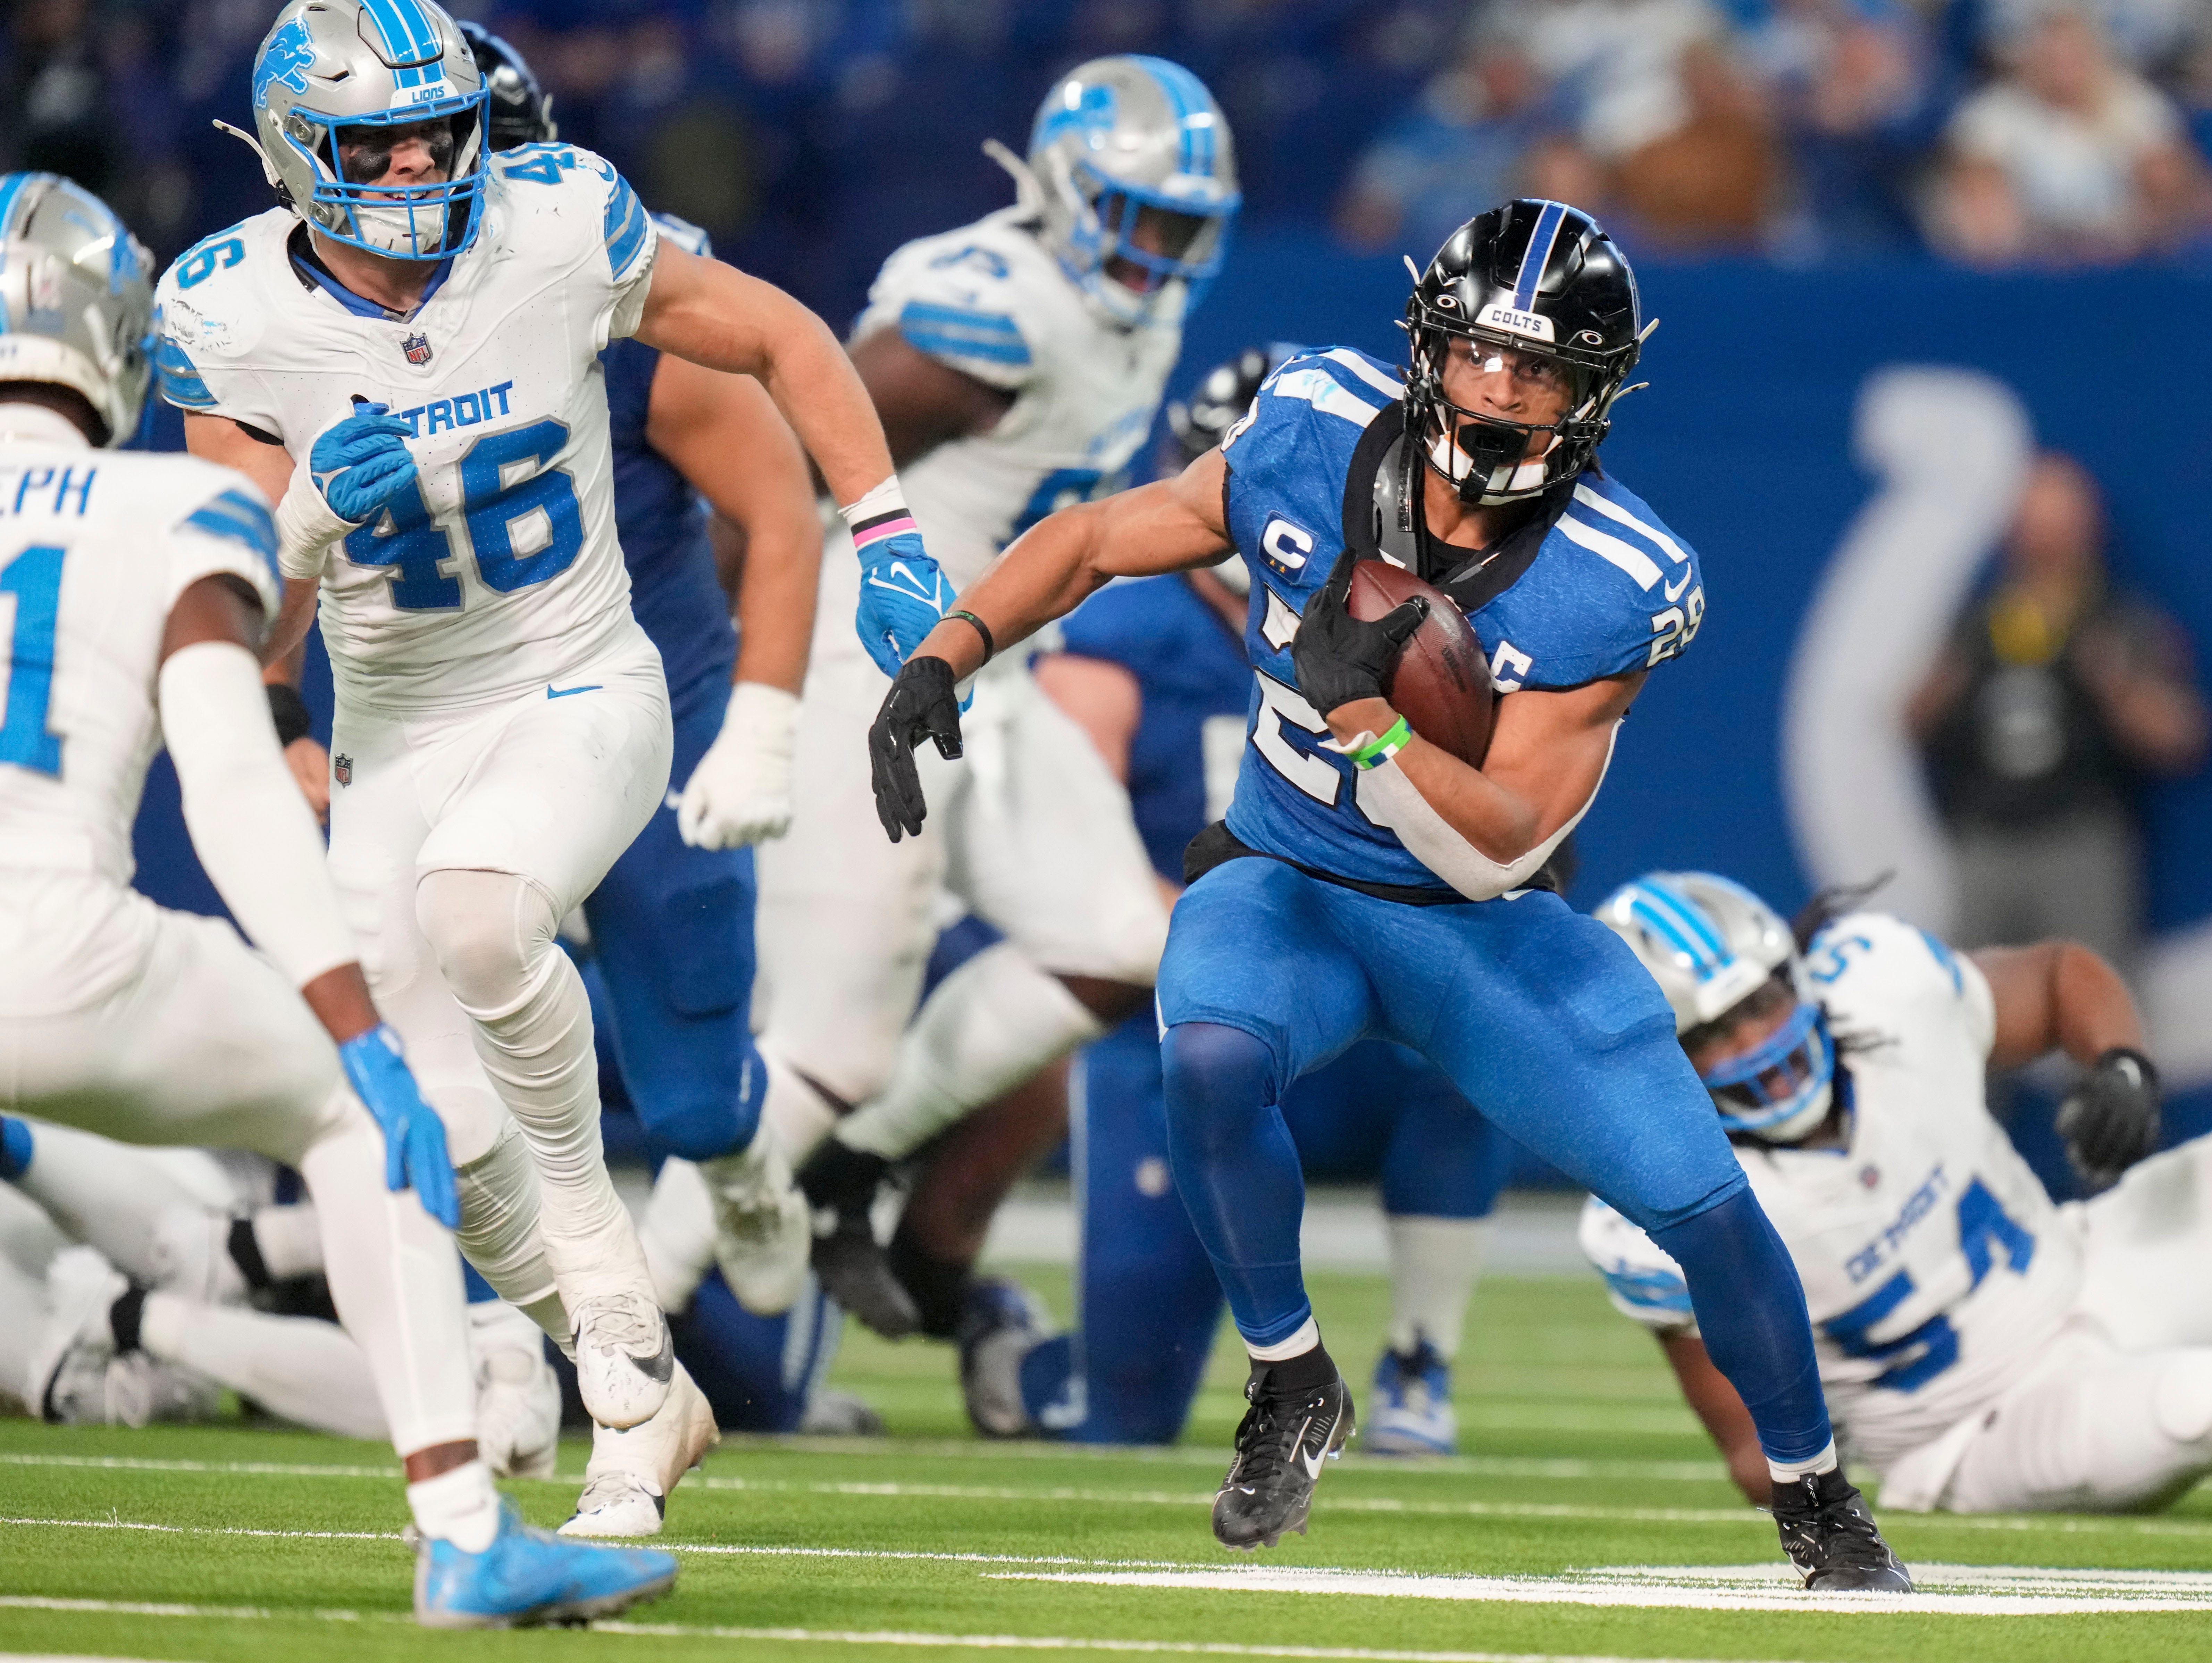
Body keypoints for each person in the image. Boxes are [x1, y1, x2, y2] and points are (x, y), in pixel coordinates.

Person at [867, 198, 1911, 1591]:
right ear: (1427, 349)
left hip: (1476, 927)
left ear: (1591, 395)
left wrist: (1382, 729)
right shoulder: (1307, 425)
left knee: (1704, 1204)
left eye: (1539, 371)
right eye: (1480, 354)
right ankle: (1294, 1378)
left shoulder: (1616, 579)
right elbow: (1106, 536)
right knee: (1214, 1048)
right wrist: (951, 648)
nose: (1500, 391)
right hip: (1288, 882)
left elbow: (1507, 839)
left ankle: (1818, 1497)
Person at [153, 0, 937, 1534]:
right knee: (432, 1128)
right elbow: (241, 588)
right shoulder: (231, 308)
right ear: (299, 151)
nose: (421, 162)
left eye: (439, 128)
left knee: (486, 915)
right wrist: (307, 520)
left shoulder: (559, 224)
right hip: (396, 732)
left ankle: (611, 1295)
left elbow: (780, 333)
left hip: (583, 679)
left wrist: (888, 528)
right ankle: (636, 1382)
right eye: (379, 137)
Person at [0, 168, 674, 1626]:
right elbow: (238, 792)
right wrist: (350, 1022)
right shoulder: (167, 507)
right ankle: (462, 1529)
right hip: (58, 949)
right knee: (366, 1124)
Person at [716, 56, 1241, 1338]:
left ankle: (842, 1170)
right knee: (824, 1037)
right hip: (865, 667)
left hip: (985, 681)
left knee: (1132, 939)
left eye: (1184, 226)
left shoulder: (1133, 316)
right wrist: (736, 678)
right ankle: (621, 1307)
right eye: (1140, 217)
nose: (1161, 252)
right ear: (1068, 192)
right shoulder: (989, 309)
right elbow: (782, 476)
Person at [957, 346, 1509, 1453]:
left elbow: (1508, 817)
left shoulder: (1423, 615)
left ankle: (1417, 1363)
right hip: (1190, 999)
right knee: (1127, 1412)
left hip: (1343, 1005)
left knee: (1477, 1043)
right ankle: (1019, 1351)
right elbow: (1063, 835)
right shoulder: (1135, 628)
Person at [444, 19, 827, 1522]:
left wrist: (767, 720)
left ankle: (739, 1160)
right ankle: (533, 1361)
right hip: (461, 718)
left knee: (686, 1096)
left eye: (452, 161)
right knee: (461, 1068)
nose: (418, 197)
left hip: (644, 710)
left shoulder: (619, 292)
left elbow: (781, 516)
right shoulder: (318, 311)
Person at [1584, 870, 2212, 1516]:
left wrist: (2123, 1065)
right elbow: (1757, 1457)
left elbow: (2056, 977)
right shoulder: (1660, 1209)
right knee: (2199, 1400)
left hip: (2089, 1267)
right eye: (1711, 1035)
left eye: (1758, 1004)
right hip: (1977, 1430)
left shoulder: (1881, 984)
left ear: (1792, 973)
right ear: (1660, 1068)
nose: (1758, 1045)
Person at [1907, 451, 2206, 971]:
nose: (2044, 543)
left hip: (2082, 840)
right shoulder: (1978, 620)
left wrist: (2114, 680)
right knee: (1968, 1004)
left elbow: (2182, 738)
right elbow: (1910, 720)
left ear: (2086, 531)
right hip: (1988, 839)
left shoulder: (2123, 619)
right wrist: (1960, 668)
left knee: (2094, 1001)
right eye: (2032, 526)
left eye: (2058, 526)